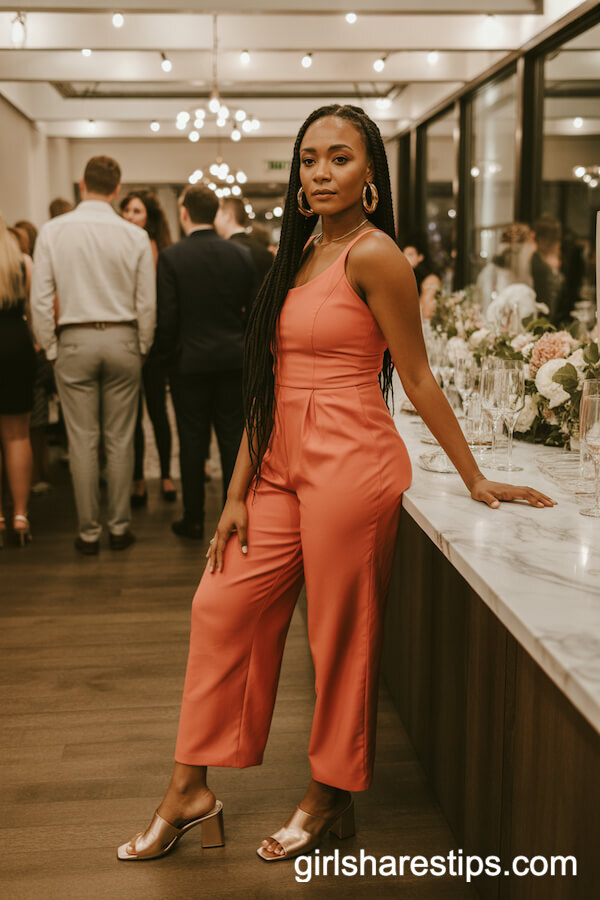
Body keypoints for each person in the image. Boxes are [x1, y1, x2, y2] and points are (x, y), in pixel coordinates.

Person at [117, 104, 555, 864]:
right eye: (310, 159)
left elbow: (417, 376)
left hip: (352, 460)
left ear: (370, 174)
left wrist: (476, 476)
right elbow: (270, 386)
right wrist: (235, 492)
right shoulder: (299, 252)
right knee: (220, 606)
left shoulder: (376, 255)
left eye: (340, 158)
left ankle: (329, 791)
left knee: (338, 634)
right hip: (279, 459)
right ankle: (189, 788)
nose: (321, 172)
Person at [30, 155, 156, 555]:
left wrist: (51, 346)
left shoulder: (53, 231)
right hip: (123, 338)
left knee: (82, 440)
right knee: (120, 439)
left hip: (74, 339)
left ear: (83, 185)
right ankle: (119, 528)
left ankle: (88, 534)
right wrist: (142, 344)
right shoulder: (135, 235)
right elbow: (146, 302)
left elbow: (40, 298)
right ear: (117, 189)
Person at [155, 184, 255, 540]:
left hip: (189, 364)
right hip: (232, 361)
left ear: (184, 213)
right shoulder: (240, 255)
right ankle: (234, 513)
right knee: (232, 440)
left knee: (192, 441)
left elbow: (167, 319)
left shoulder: (171, 257)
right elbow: (253, 314)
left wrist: (169, 360)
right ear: (214, 214)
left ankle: (194, 518)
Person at [120, 189, 176, 506]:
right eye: (127, 210)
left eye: (137, 211)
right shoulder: (119, 247)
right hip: (127, 336)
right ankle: (138, 478)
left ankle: (166, 475)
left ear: (149, 218)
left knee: (157, 411)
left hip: (154, 341)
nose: (130, 216)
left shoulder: (159, 249)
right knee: (131, 415)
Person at [0, 216, 36, 546]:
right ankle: (21, 515)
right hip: (16, 343)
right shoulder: (21, 262)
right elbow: (32, 308)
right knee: (17, 434)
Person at [214, 197, 273, 315]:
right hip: (263, 317)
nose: (215, 221)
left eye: (218, 215)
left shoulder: (224, 252)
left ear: (228, 216)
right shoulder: (264, 252)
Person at [530, 214, 566, 325]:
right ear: (542, 238)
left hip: (554, 317)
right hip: (542, 320)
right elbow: (543, 297)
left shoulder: (552, 257)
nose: (557, 242)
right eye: (554, 238)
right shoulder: (537, 263)